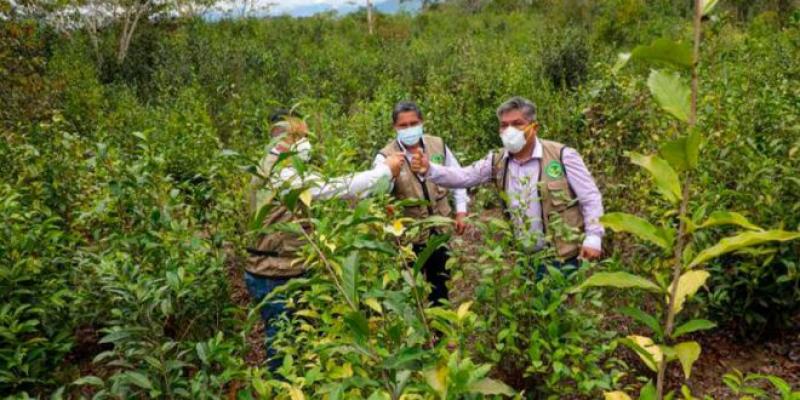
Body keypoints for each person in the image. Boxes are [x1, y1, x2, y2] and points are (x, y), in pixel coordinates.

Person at [245, 110, 404, 371]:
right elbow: (332, 187)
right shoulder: (281, 173)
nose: (308, 143)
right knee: (282, 345)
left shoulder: (268, 166)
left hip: (276, 268)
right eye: (303, 137)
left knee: (292, 339)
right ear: (284, 138)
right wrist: (384, 171)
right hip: (274, 273)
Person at [410, 96, 604, 271]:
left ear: (533, 127)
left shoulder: (562, 155)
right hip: (525, 258)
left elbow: (590, 197)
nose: (509, 130)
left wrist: (594, 236)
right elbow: (464, 176)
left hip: (564, 257)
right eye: (504, 125)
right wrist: (430, 169)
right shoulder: (497, 161)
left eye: (517, 123)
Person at [373, 101, 469, 306]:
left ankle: (442, 333)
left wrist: (461, 211)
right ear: (394, 128)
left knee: (440, 284)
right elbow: (379, 195)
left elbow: (458, 177)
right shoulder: (385, 157)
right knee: (410, 289)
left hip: (439, 231)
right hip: (408, 238)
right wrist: (390, 175)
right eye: (403, 126)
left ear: (422, 122)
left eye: (413, 123)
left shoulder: (437, 145)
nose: (409, 129)